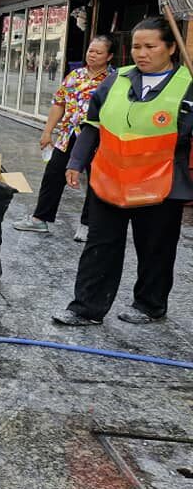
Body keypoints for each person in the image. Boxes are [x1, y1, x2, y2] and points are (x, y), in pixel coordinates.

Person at [53, 17, 193, 326]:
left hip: (161, 184)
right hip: (110, 178)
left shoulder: (188, 85)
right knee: (100, 245)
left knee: (155, 248)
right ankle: (85, 308)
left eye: (150, 46)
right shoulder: (116, 80)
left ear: (171, 48)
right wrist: (76, 162)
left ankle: (149, 305)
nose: (141, 53)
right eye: (136, 47)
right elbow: (92, 124)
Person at [14, 36, 115, 241]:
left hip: (97, 137)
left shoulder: (114, 80)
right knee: (53, 174)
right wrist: (47, 132)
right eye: (90, 50)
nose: (92, 55)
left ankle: (87, 225)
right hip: (68, 135)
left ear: (109, 56)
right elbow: (59, 103)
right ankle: (40, 219)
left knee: (95, 181)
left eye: (98, 52)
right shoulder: (74, 75)